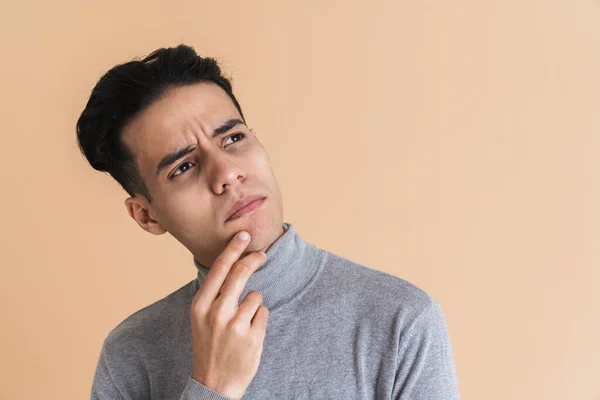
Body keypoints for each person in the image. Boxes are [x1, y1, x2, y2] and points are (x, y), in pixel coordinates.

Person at [77, 44, 459, 400]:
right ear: (147, 215)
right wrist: (212, 386)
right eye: (185, 166)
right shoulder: (129, 355)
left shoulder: (400, 321)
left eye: (232, 139)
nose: (227, 172)